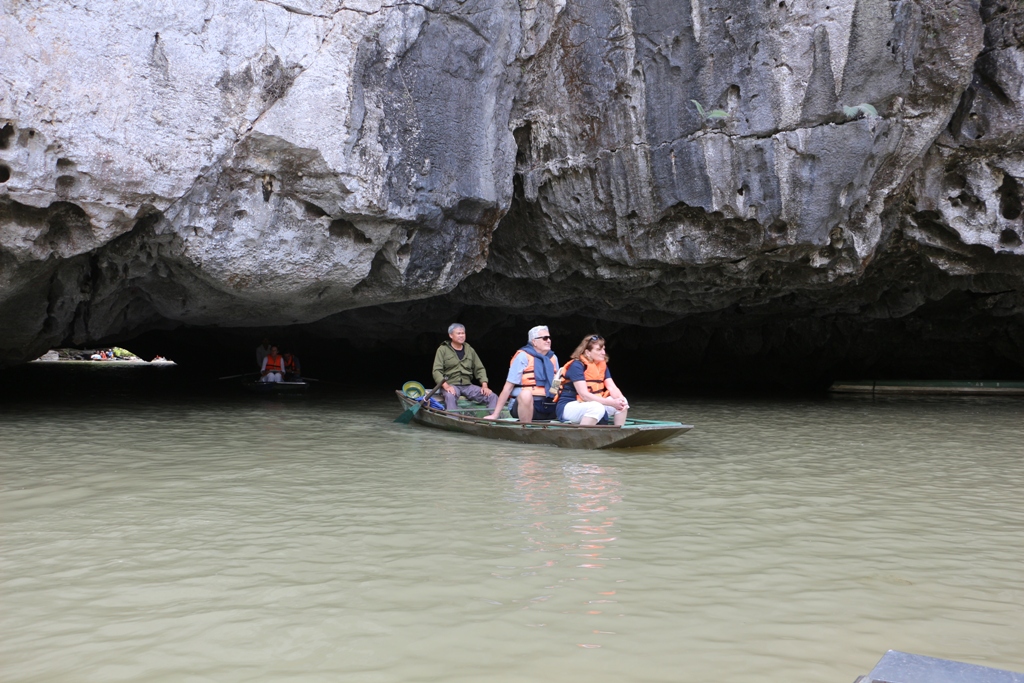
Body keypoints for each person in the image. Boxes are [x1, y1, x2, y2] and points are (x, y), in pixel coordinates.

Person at [484, 325, 559, 422]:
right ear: (534, 342)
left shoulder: (553, 358)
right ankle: (525, 430)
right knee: (525, 394)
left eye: (549, 338)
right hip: (524, 405)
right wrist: (495, 414)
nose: (548, 340)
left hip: (547, 404)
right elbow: (508, 387)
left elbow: (556, 384)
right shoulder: (523, 356)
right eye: (544, 338)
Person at [555, 334, 629, 426]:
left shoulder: (601, 365)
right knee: (596, 407)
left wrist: (620, 401)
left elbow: (612, 387)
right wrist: (611, 403)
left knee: (623, 401)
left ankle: (618, 433)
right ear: (587, 352)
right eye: (599, 349)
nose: (603, 352)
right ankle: (582, 436)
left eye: (603, 349)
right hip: (569, 406)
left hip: (592, 404)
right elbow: (584, 395)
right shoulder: (577, 366)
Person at [432, 323, 497, 412]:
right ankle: (453, 421)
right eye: (458, 333)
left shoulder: (470, 350)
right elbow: (436, 371)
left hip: (467, 385)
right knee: (450, 396)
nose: (461, 336)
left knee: (492, 396)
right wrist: (446, 386)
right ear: (451, 335)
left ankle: (492, 420)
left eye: (463, 333)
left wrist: (484, 385)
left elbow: (479, 369)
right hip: (451, 384)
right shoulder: (442, 349)